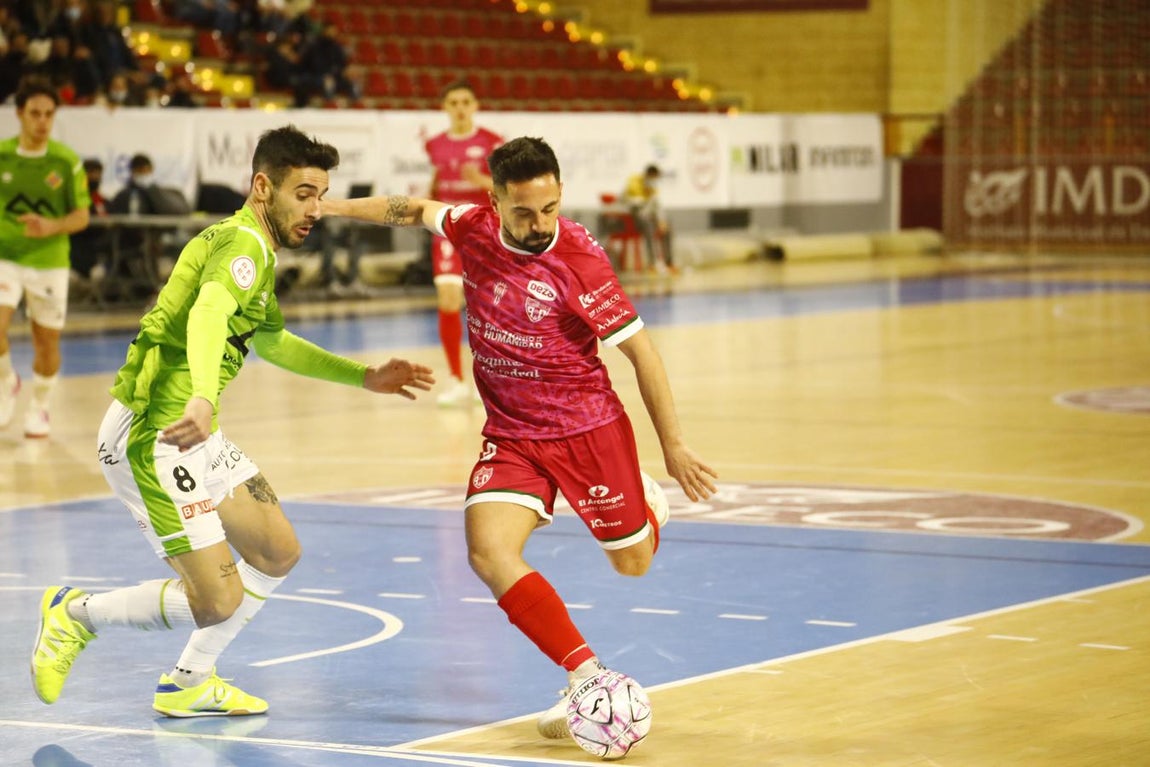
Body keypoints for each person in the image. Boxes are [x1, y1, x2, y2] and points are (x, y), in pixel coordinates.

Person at [29, 125, 435, 717]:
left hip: (194, 430)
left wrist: (363, 376)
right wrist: (201, 396)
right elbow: (210, 314)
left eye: (321, 195)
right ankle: (74, 614)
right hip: (155, 435)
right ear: (262, 186)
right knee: (216, 599)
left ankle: (189, 680)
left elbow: (271, 342)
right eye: (303, 194)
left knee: (276, 551)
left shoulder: (257, 251)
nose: (315, 210)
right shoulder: (243, 246)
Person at [324, 136, 718, 743]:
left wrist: (673, 447)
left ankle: (643, 498)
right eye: (524, 213)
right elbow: (407, 208)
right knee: (487, 551)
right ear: (495, 201)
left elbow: (643, 355)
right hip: (511, 432)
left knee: (632, 564)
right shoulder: (471, 225)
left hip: (586, 429)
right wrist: (329, 208)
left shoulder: (581, 260)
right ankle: (586, 677)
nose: (540, 226)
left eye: (551, 209)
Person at [0, 79, 91, 438]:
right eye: (34, 113)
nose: (42, 121)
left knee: (46, 341)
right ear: (20, 114)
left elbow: (81, 216)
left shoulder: (65, 161)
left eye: (49, 114)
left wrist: (51, 225)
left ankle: (39, 407)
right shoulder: (3, 155)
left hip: (49, 260)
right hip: (5, 255)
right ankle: (7, 380)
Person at [423, 80, 502, 407]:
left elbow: (506, 187)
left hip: (483, 231)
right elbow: (436, 183)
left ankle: (495, 381)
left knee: (490, 309)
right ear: (445, 107)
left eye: (465, 101)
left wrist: (480, 181)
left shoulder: (491, 142)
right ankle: (456, 380)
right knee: (448, 298)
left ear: (474, 106)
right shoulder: (435, 145)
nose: (459, 107)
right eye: (453, 102)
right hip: (448, 229)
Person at [622, 164, 674, 273]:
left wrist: (662, 221)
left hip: (648, 215)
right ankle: (653, 263)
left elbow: (656, 206)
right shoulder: (634, 181)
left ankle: (669, 262)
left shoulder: (653, 188)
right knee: (648, 227)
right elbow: (629, 201)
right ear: (648, 174)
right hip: (634, 216)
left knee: (667, 228)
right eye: (653, 178)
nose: (654, 181)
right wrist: (645, 198)